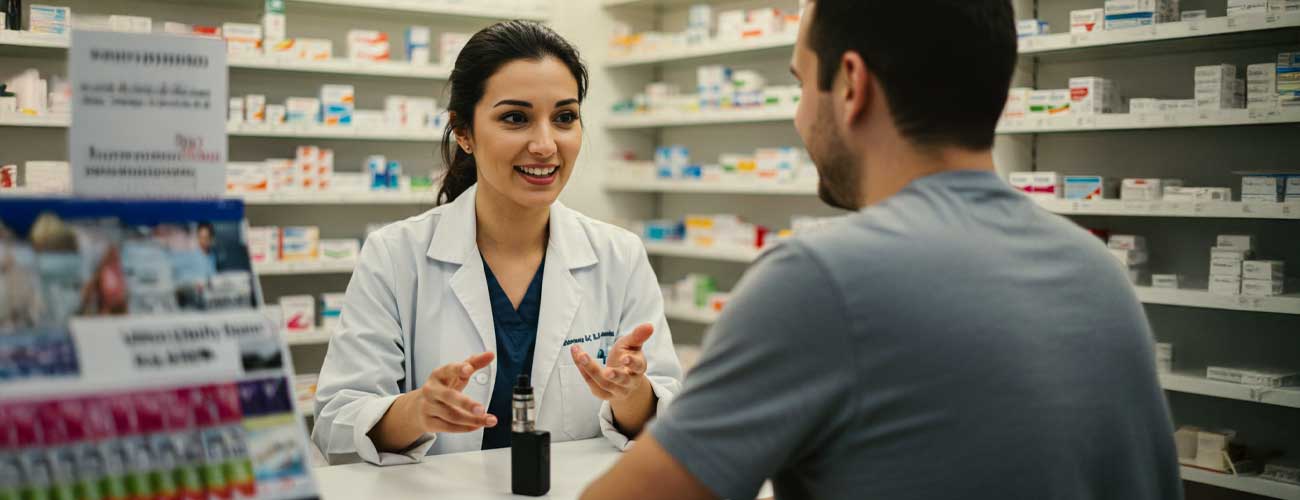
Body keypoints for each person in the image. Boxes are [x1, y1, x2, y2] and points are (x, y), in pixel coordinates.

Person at [582, 1, 1182, 499]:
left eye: (801, 84)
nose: (799, 116)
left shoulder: (819, 281)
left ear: (851, 84)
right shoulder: (1099, 274)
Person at [312, 21, 682, 465]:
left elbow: (666, 420)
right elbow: (335, 422)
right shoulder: (395, 255)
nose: (545, 144)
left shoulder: (619, 255)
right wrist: (417, 410)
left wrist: (630, 392)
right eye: (515, 118)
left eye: (564, 117)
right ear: (464, 132)